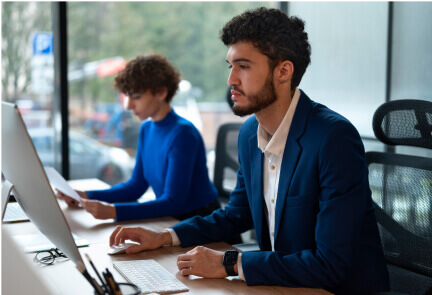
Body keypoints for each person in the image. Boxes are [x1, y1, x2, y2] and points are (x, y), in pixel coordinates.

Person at [108, 8, 390, 294]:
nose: (231, 79)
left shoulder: (333, 138)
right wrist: (165, 237)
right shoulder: (248, 134)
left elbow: (330, 264)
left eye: (243, 66)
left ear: (283, 71)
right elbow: (235, 217)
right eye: (230, 66)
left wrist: (231, 263)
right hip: (281, 286)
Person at [58, 54, 219, 222]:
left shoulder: (183, 134)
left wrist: (114, 211)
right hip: (172, 219)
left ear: (161, 92)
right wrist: (85, 195)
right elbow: (136, 186)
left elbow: (174, 202)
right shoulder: (147, 129)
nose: (128, 105)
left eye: (136, 97)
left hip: (200, 222)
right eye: (127, 96)